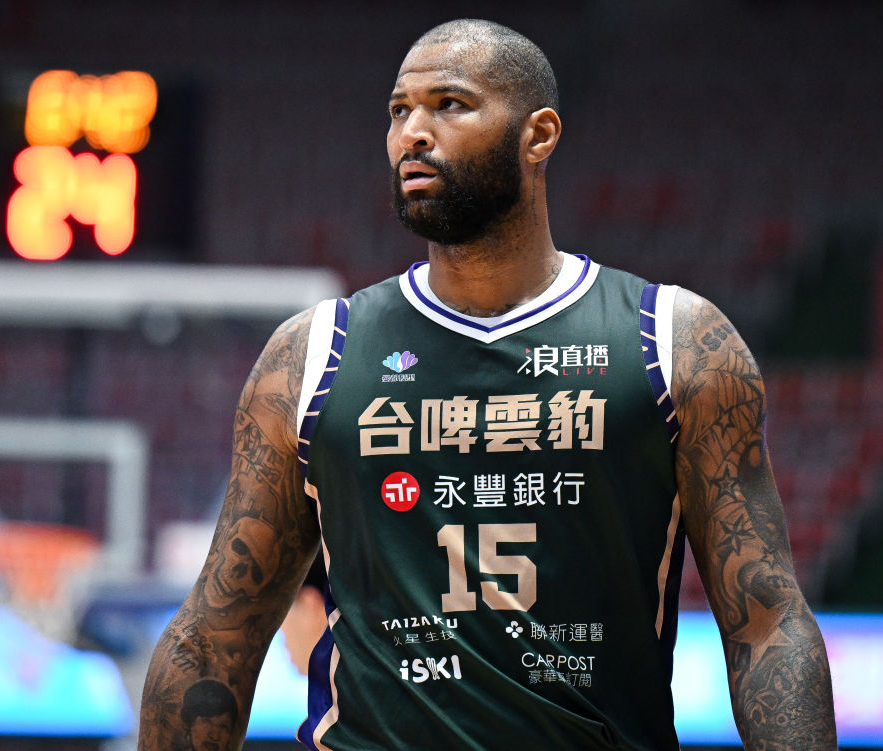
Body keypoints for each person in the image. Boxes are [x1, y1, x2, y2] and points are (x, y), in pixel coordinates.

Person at [140, 18, 837, 750]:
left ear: (539, 135)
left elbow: (768, 626)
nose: (412, 132)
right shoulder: (310, 355)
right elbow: (213, 639)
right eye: (398, 111)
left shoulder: (676, 341)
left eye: (449, 104)